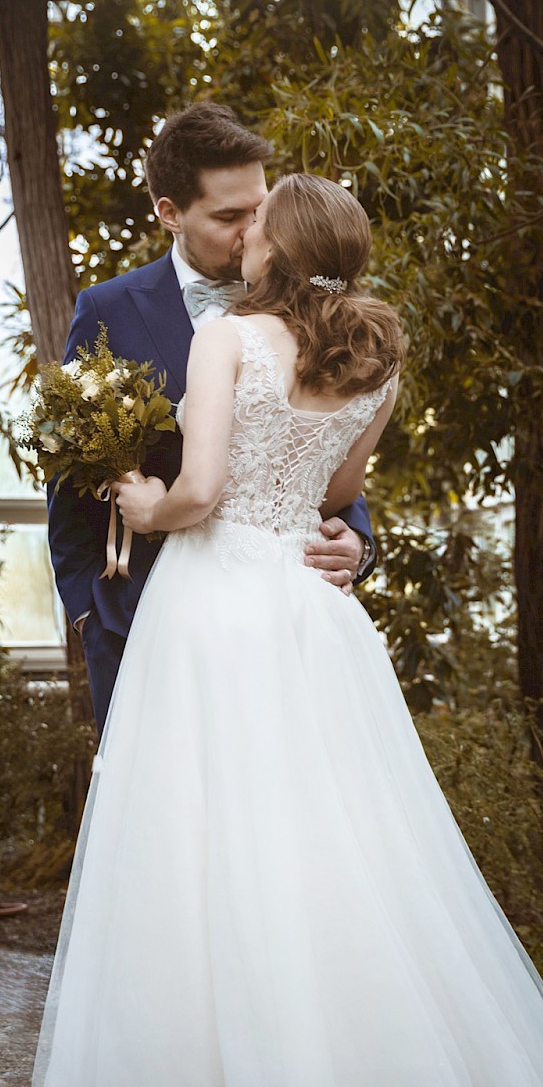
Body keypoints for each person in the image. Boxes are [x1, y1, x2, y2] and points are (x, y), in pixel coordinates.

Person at [17, 172, 543, 1087]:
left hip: (209, 606)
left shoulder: (227, 339)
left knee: (201, 845)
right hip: (303, 603)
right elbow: (335, 496)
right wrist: (299, 503)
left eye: (256, 231)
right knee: (336, 844)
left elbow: (195, 495)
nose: (243, 243)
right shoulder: (377, 359)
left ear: (276, 250)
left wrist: (143, 503)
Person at [47, 102, 375, 735]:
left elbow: (325, 441)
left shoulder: (327, 308)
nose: (254, 231)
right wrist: (88, 608)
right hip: (137, 618)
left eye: (260, 210)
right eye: (230, 216)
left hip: (283, 625)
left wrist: (355, 540)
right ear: (169, 213)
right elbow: (69, 466)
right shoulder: (109, 309)